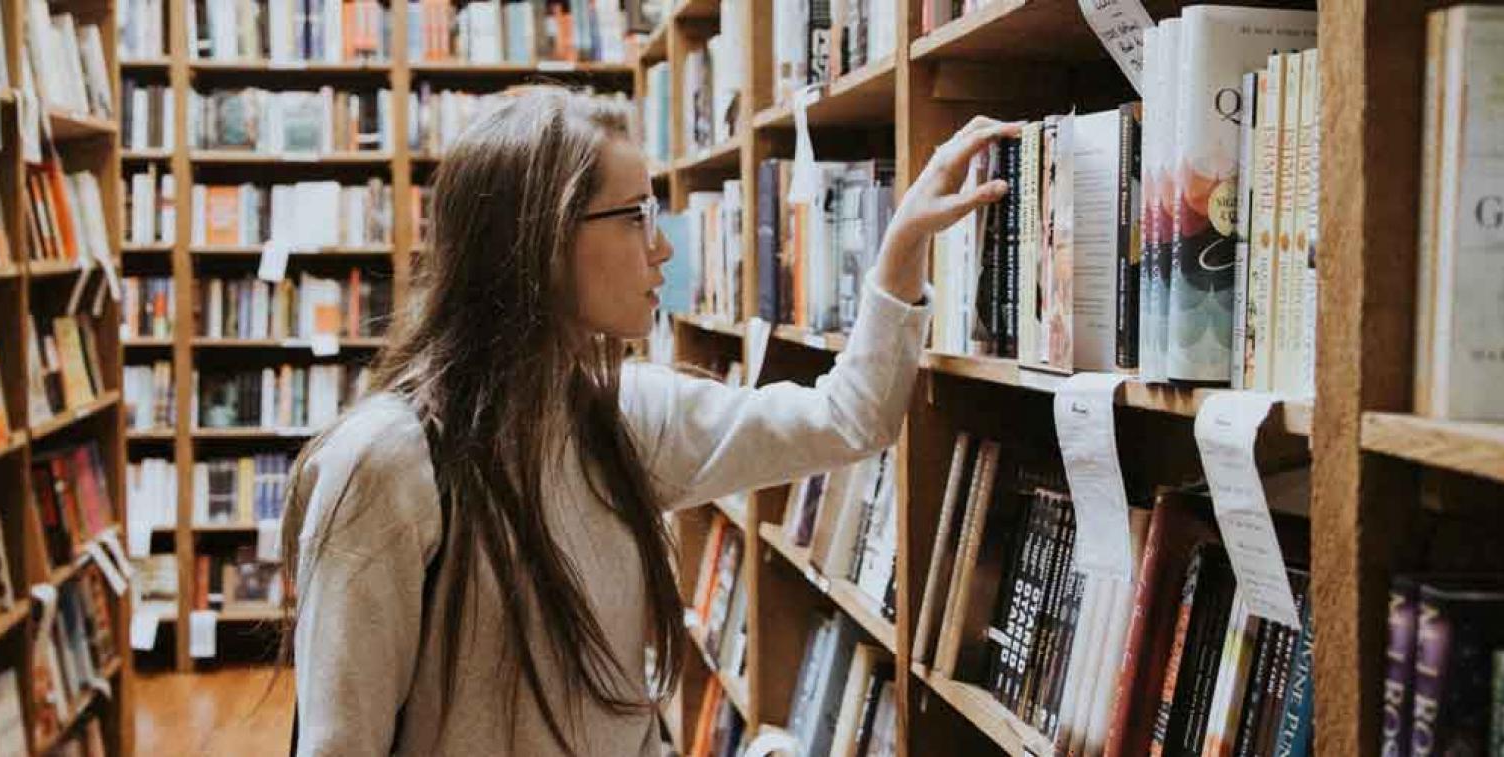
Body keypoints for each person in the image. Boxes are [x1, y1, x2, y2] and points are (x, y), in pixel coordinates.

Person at [281, 86, 1016, 756]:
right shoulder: (387, 461)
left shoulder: (625, 413)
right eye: (637, 216)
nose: (663, 247)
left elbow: (846, 419)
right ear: (540, 239)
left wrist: (900, 254)